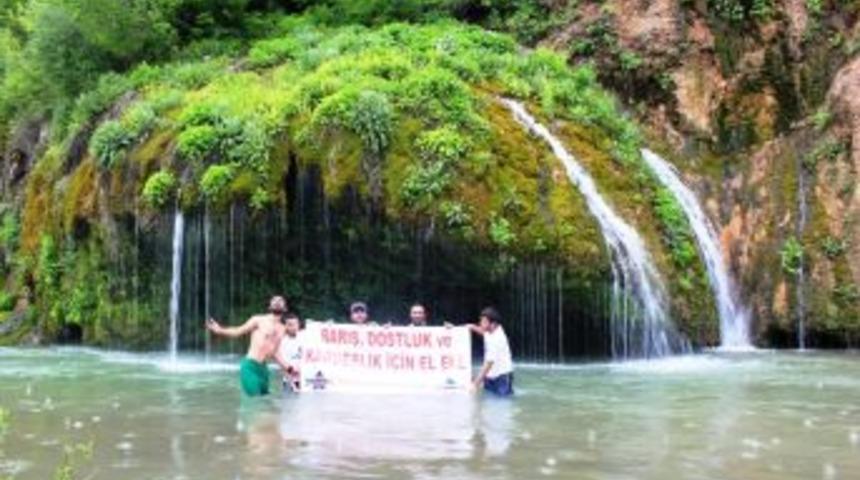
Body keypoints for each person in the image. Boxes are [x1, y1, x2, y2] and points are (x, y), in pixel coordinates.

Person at [205, 296, 292, 397]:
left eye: (280, 300)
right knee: (255, 401)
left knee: (265, 401)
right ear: (270, 306)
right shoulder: (258, 320)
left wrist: (289, 368)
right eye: (274, 300)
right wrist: (220, 330)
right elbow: (238, 331)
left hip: (263, 369)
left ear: (285, 308)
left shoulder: (282, 329)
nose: (277, 301)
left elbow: (275, 352)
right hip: (250, 367)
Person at [450, 307, 514, 397]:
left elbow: (488, 364)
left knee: (502, 404)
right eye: (481, 320)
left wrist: (475, 384)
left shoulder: (498, 339)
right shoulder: (490, 330)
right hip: (490, 376)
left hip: (502, 377)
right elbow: (477, 329)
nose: (481, 323)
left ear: (493, 324)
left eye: (484, 321)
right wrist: (455, 329)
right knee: (489, 403)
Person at [278, 312, 303, 392]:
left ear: (299, 325)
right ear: (285, 326)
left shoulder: (305, 337)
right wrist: (291, 372)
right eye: (290, 325)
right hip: (289, 381)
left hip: (305, 380)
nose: (293, 327)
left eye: (295, 324)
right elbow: (281, 362)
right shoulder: (281, 341)